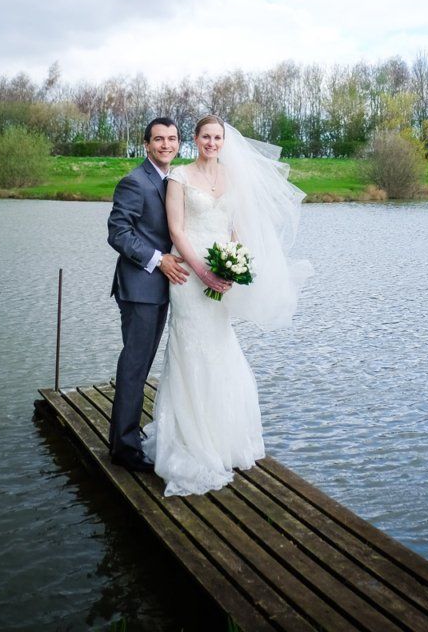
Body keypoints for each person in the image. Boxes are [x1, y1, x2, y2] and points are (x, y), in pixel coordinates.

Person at [142, 114, 312, 496]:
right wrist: (202, 271)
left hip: (221, 274)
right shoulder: (179, 178)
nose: (212, 143)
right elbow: (176, 231)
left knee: (220, 347)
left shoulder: (233, 180)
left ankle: (222, 440)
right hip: (188, 276)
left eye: (218, 137)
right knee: (189, 349)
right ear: (196, 140)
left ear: (224, 142)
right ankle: (189, 442)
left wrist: (235, 263)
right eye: (206, 136)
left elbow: (235, 228)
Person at [107, 117, 192, 471]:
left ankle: (127, 436)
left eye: (172, 139)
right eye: (159, 139)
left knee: (140, 365)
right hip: (140, 289)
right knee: (134, 367)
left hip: (160, 290)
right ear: (146, 144)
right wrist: (158, 261)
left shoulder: (172, 179)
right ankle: (124, 449)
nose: (166, 145)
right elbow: (117, 232)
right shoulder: (135, 181)